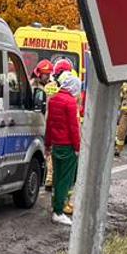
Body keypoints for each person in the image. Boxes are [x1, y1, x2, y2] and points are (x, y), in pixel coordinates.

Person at [45, 71, 83, 225]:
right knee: (65, 180)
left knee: (56, 178)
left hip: (56, 144)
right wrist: (78, 147)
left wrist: (48, 144)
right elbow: (74, 128)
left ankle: (55, 205)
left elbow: (49, 124)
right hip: (68, 146)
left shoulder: (53, 100)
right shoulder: (70, 102)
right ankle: (59, 211)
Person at [113, 82, 127, 157]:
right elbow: (119, 98)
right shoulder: (123, 88)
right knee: (121, 131)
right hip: (125, 112)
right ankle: (118, 149)